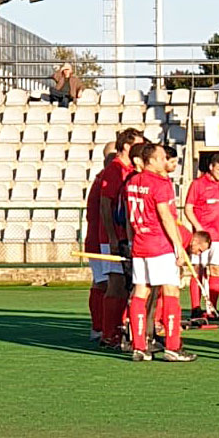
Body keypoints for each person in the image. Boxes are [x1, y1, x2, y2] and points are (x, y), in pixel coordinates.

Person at [126, 143, 196, 362]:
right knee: (171, 292)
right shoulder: (160, 183)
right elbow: (166, 217)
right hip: (160, 245)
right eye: (163, 157)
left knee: (140, 292)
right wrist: (178, 246)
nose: (166, 161)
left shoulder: (132, 182)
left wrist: (131, 240)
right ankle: (173, 347)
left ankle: (139, 346)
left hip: (140, 244)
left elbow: (129, 216)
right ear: (153, 160)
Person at [98, 128, 145, 349]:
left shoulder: (129, 170)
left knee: (127, 284)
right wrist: (112, 237)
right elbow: (105, 205)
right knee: (116, 284)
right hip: (115, 236)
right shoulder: (115, 169)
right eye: (137, 145)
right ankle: (108, 333)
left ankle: (122, 330)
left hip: (125, 235)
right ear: (126, 146)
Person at [184, 153, 219, 320]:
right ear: (211, 167)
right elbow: (188, 209)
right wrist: (199, 229)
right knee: (198, 270)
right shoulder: (198, 184)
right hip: (202, 238)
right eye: (218, 170)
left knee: (216, 270)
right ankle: (195, 308)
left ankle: (212, 308)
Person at [84, 142, 117, 342]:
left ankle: (101, 327)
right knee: (105, 283)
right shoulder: (106, 179)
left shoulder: (102, 178)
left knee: (103, 283)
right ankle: (101, 327)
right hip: (100, 240)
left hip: (99, 239)